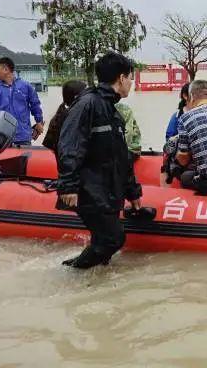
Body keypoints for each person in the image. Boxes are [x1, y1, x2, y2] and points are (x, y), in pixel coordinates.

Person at [57, 52, 142, 269]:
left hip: (107, 188)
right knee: (112, 239)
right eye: (130, 78)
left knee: (103, 240)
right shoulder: (88, 104)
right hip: (90, 188)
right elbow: (70, 146)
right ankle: (72, 273)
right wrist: (68, 186)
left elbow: (121, 156)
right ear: (121, 78)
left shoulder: (112, 111)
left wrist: (132, 192)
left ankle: (93, 280)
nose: (131, 83)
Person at [0, 57, 44, 146]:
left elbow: (35, 105)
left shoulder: (26, 86)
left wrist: (39, 122)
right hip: (1, 138)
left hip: (23, 137)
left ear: (6, 69)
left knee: (24, 160)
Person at [42, 80, 87, 160]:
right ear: (76, 97)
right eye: (85, 94)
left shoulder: (62, 112)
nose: (88, 97)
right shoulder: (69, 118)